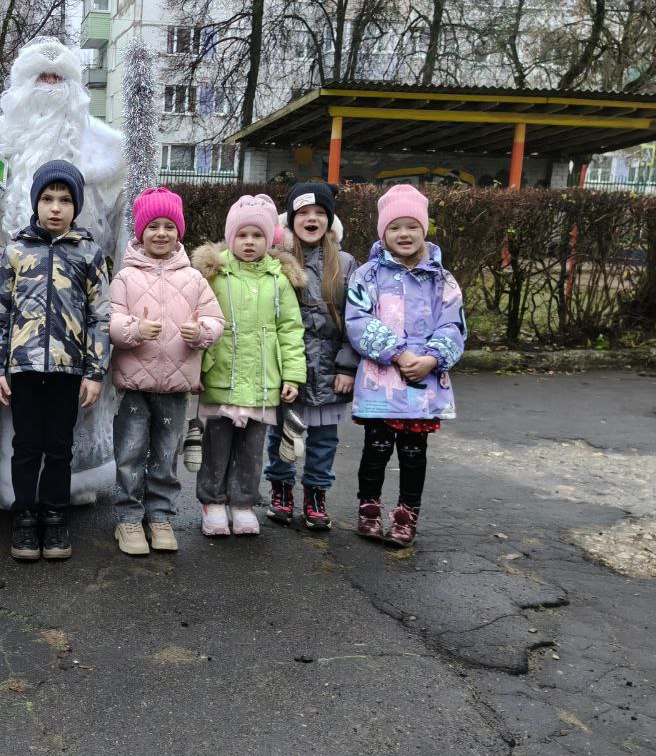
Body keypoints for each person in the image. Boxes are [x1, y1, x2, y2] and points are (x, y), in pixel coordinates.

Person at [0, 37, 127, 507]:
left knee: (70, 403)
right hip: (4, 280)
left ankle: (66, 488)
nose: (49, 86)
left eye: (58, 78)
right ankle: (6, 486)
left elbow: (119, 226)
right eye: (41, 77)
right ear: (22, 84)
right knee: (8, 393)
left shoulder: (105, 148)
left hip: (74, 291)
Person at [0, 160, 111, 562]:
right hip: (22, 369)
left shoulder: (89, 254)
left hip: (67, 370)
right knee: (26, 446)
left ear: (76, 205)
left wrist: (95, 371)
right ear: (36, 202)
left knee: (59, 446)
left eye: (65, 200)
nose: (56, 207)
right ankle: (25, 516)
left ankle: (55, 516)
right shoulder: (16, 251)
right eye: (48, 198)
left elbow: (100, 317)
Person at [346, 184, 466, 547]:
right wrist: (397, 353)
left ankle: (406, 514)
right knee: (376, 449)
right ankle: (369, 509)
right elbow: (358, 321)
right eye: (395, 227)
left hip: (422, 386)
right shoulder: (367, 275)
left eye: (412, 226)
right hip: (381, 382)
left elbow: (453, 324)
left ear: (424, 229)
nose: (404, 234)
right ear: (383, 232)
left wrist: (432, 358)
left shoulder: (442, 280)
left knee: (414, 454)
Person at [108, 188, 224, 556]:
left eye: (169, 226)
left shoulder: (194, 279)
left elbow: (216, 320)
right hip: (134, 384)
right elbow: (110, 321)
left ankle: (160, 516)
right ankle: (128, 517)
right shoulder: (125, 277)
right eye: (153, 226)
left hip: (175, 386)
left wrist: (201, 332)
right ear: (141, 232)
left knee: (165, 454)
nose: (161, 233)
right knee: (130, 452)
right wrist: (134, 329)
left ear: (179, 232)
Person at [193, 194, 306, 537]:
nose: (249, 242)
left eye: (257, 235)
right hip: (221, 376)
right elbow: (198, 323)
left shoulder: (278, 279)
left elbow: (290, 329)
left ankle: (243, 503)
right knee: (216, 447)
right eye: (242, 235)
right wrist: (195, 370)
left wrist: (292, 375)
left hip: (262, 381)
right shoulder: (215, 275)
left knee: (251, 449)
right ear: (231, 236)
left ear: (269, 239)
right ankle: (212, 502)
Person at [263, 182, 359, 531]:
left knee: (324, 440)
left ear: (330, 220)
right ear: (290, 219)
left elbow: (356, 319)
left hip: (331, 368)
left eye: (320, 212)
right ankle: (281, 489)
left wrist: (347, 366)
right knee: (282, 434)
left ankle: (316, 495)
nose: (312, 219)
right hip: (287, 366)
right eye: (303, 213)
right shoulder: (277, 261)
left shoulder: (345, 264)